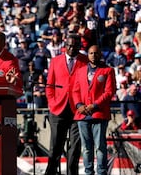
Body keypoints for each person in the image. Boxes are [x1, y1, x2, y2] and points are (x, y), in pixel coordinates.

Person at [45, 34, 89, 175]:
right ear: (65, 45)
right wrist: (52, 103)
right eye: (69, 45)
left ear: (79, 47)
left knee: (75, 148)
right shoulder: (55, 61)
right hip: (58, 109)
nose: (71, 48)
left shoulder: (85, 61)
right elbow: (49, 85)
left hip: (78, 110)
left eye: (75, 46)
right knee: (55, 147)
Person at [73, 45, 116, 175]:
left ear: (100, 54)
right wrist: (79, 105)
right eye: (91, 53)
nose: (93, 55)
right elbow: (75, 91)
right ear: (87, 55)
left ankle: (102, 172)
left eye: (96, 53)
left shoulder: (108, 70)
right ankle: (88, 172)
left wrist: (95, 105)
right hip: (82, 114)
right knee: (86, 148)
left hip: (99, 113)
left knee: (100, 147)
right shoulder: (80, 71)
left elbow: (109, 92)